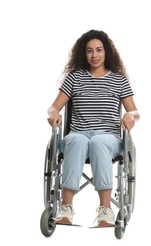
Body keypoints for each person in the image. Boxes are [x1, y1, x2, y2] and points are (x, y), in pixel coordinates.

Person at [47, 29, 140, 227]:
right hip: (78, 134)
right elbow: (55, 106)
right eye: (89, 51)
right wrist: (53, 113)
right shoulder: (75, 78)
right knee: (77, 140)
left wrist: (129, 116)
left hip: (109, 138)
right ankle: (66, 208)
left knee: (98, 141)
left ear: (107, 52)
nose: (94, 55)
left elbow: (135, 111)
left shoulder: (118, 79)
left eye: (99, 50)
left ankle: (105, 210)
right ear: (84, 53)